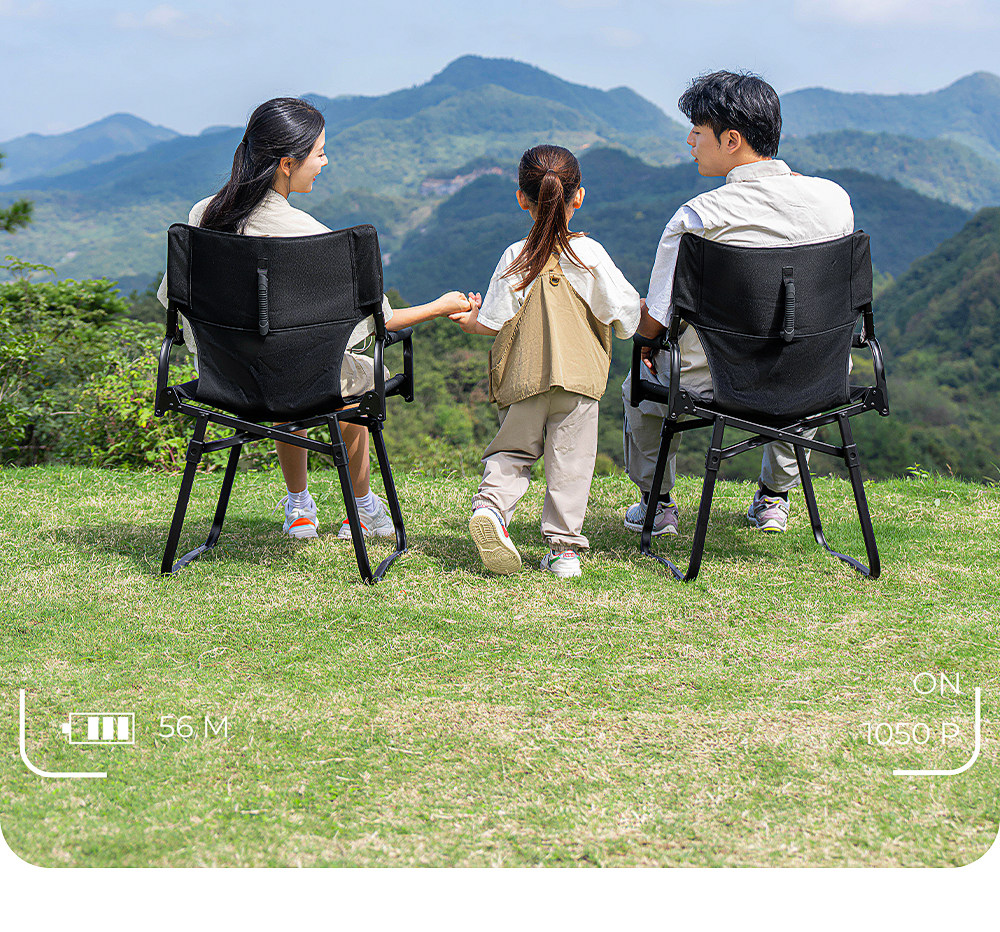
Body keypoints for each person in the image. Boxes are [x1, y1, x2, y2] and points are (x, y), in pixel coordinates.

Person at [156, 98, 474, 540]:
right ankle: (362, 508)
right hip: (294, 384)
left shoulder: (202, 216)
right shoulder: (313, 240)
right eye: (319, 153)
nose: (325, 162)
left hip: (226, 379)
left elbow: (177, 303)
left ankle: (300, 506)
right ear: (287, 164)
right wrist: (440, 306)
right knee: (342, 374)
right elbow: (379, 320)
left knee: (280, 355)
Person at [622, 71, 854, 536]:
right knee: (801, 354)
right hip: (816, 372)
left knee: (638, 384)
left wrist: (643, 339)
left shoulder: (698, 217)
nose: (690, 140)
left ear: (731, 140)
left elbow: (658, 319)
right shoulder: (835, 200)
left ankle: (657, 504)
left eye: (698, 130)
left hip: (717, 379)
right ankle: (774, 497)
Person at [454, 144, 640, 578]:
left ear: (522, 198)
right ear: (579, 197)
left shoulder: (516, 256)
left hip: (524, 378)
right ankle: (564, 551)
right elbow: (626, 316)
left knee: (513, 449)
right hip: (579, 381)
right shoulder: (591, 255)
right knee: (571, 463)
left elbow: (494, 321)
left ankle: (492, 507)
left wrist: (470, 321)